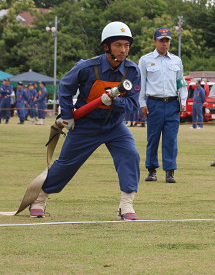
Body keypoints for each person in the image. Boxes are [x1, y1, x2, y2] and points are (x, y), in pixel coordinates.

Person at [29, 21, 141, 220]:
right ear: (106, 46)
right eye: (118, 45)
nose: (124, 50)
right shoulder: (87, 66)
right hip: (85, 124)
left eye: (127, 45)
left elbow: (132, 105)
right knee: (66, 164)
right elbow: (65, 86)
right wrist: (67, 115)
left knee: (130, 155)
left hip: (114, 125)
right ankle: (39, 198)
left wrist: (113, 103)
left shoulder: (132, 71)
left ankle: (126, 204)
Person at [139, 27, 187, 183]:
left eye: (167, 40)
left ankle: (170, 171)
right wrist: (142, 102)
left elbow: (181, 83)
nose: (164, 44)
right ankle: (151, 169)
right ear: (154, 41)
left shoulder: (176, 60)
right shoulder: (145, 60)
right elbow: (141, 83)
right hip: (154, 103)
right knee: (153, 138)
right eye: (161, 40)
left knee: (170, 139)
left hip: (172, 103)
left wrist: (183, 101)